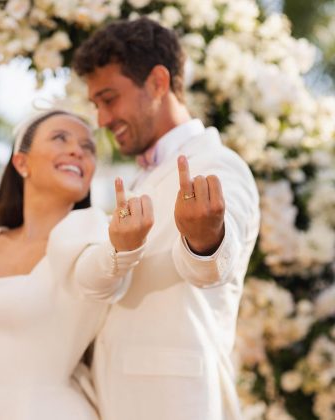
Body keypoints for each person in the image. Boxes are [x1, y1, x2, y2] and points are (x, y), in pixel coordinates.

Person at [73, 17, 260, 420]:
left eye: (109, 99)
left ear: (158, 82)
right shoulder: (143, 176)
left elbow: (214, 265)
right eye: (96, 105)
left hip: (179, 404)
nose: (102, 120)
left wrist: (205, 239)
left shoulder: (219, 164)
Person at [0, 109, 153, 420]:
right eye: (60, 138)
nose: (77, 151)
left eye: (88, 148)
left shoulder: (89, 232)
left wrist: (122, 249)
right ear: (21, 162)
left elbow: (97, 275)